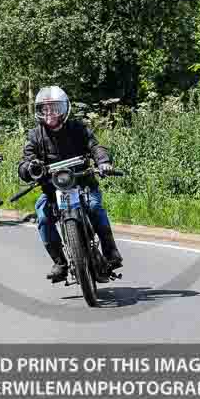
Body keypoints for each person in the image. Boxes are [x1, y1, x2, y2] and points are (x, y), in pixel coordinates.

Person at [17, 86, 123, 282]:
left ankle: (111, 253)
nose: (49, 113)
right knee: (42, 216)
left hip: (83, 182)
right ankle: (60, 262)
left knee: (94, 207)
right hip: (52, 189)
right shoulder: (35, 135)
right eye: (45, 109)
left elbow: (95, 146)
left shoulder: (78, 128)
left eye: (54, 108)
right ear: (39, 111)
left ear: (65, 109)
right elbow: (25, 161)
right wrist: (30, 167)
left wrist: (103, 162)